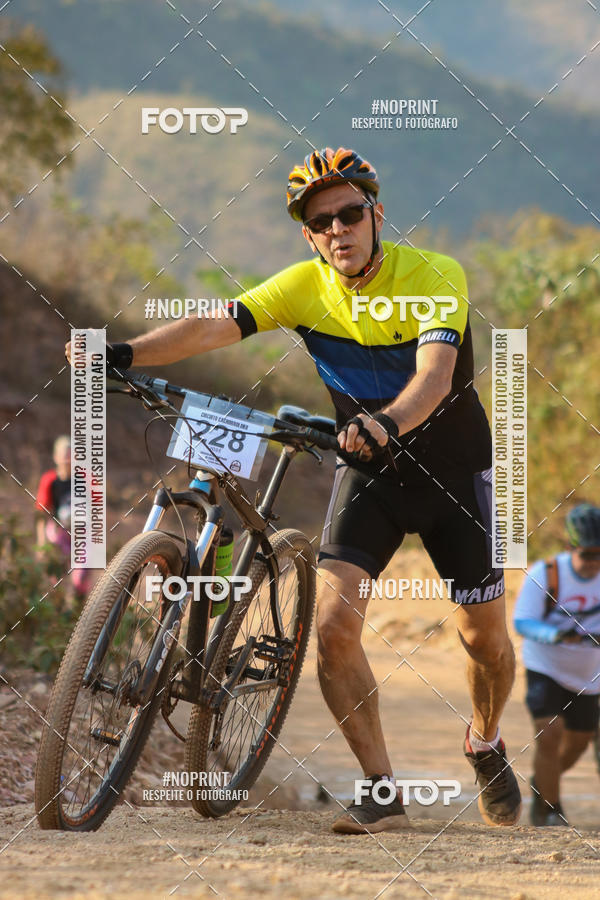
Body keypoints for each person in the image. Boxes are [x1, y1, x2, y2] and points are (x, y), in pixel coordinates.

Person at [66, 146, 521, 833]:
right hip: (369, 471)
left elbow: (433, 376)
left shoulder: (434, 274)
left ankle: (485, 741)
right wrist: (120, 353)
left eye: (349, 214)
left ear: (376, 215)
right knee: (333, 633)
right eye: (321, 223)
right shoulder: (303, 286)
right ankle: (381, 792)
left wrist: (387, 421)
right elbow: (211, 326)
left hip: (454, 473)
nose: (338, 230)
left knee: (483, 641)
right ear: (308, 236)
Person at [514, 503, 600, 825]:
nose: (594, 562)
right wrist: (555, 634)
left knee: (578, 744)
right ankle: (549, 811)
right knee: (548, 734)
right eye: (587, 554)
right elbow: (523, 622)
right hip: (546, 666)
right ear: (569, 547)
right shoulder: (546, 573)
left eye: (599, 554)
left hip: (590, 676)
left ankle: (543, 783)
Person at [35, 435, 91, 601]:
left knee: (81, 575)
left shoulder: (85, 479)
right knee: (56, 577)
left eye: (71, 455)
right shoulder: (50, 480)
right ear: (56, 457)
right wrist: (41, 542)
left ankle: (78, 610)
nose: (67, 460)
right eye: (64, 455)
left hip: (81, 533)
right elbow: (41, 513)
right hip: (59, 532)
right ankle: (57, 612)